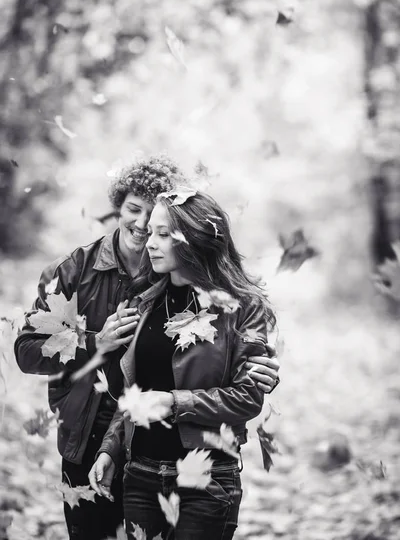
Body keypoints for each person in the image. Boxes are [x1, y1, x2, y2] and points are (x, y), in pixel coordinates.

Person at [14, 157, 280, 540]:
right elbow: (27, 350)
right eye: (133, 211)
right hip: (91, 438)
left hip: (165, 448)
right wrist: (94, 344)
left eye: (157, 223)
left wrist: (257, 368)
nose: (142, 227)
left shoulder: (174, 284)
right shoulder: (74, 270)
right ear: (118, 208)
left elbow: (231, 362)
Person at [89, 189, 278, 540]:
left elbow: (248, 399)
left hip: (205, 479)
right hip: (140, 477)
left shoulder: (245, 308)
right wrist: (111, 450)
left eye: (163, 234)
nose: (150, 243)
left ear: (192, 238)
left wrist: (174, 402)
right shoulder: (143, 302)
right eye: (151, 233)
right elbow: (134, 392)